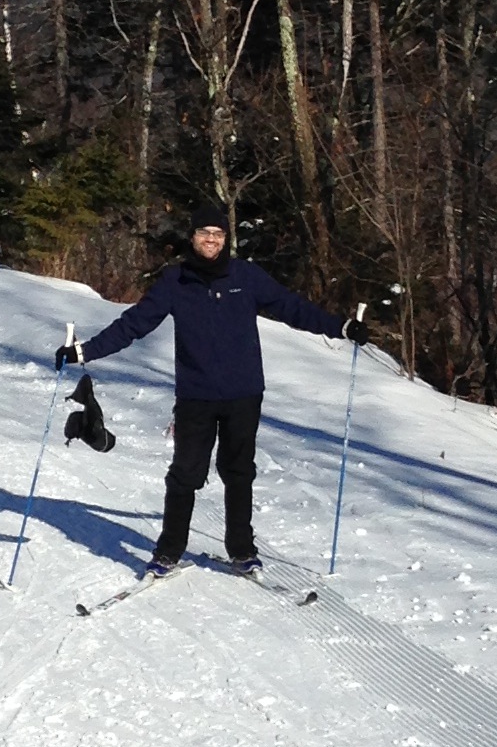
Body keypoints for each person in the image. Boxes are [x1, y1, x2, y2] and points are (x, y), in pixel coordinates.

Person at [58, 203, 367, 574]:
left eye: (218, 234)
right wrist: (84, 352)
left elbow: (291, 307)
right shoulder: (176, 281)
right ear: (192, 237)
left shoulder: (245, 276)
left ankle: (242, 551)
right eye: (204, 232)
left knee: (239, 472)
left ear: (226, 238)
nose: (211, 240)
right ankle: (168, 551)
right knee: (186, 473)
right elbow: (134, 324)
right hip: (196, 396)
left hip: (244, 393)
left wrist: (340, 327)